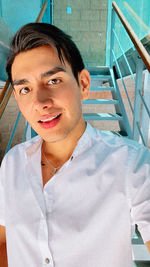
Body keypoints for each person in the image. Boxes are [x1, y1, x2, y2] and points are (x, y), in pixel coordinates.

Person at [0, 22, 150, 267]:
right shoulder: (12, 162)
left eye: (53, 81)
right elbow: (4, 242)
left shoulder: (132, 164)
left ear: (83, 84)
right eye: (25, 88)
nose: (40, 102)